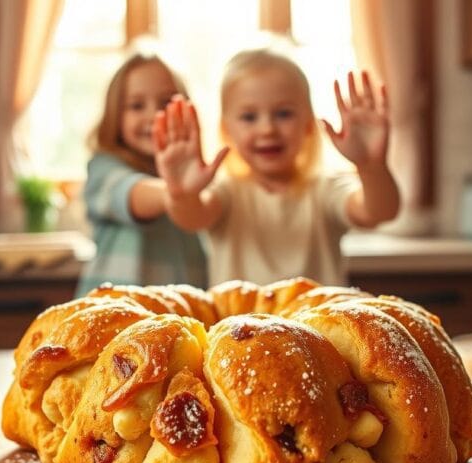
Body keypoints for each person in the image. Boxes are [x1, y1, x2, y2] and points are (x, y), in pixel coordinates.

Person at [152, 48, 401, 286]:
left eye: (283, 114)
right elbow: (192, 217)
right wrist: (181, 193)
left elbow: (377, 212)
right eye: (249, 117)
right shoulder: (227, 192)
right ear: (227, 130)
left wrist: (371, 166)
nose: (267, 128)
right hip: (240, 330)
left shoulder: (325, 189)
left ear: (308, 124)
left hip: (313, 330)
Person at [76, 54, 209, 296]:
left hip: (182, 315)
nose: (154, 115)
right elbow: (130, 193)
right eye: (136, 105)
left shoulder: (194, 177)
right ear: (115, 116)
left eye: (166, 103)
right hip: (113, 316)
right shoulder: (104, 167)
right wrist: (175, 193)